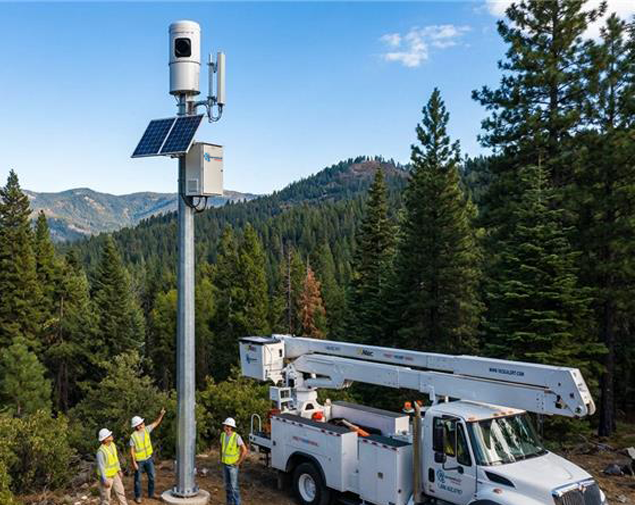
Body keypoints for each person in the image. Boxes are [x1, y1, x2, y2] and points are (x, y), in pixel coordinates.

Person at [129, 408, 166, 503]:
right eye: (141, 423)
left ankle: (151, 494)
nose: (143, 424)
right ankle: (138, 496)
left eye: (142, 423)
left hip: (148, 458)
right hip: (139, 461)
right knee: (138, 480)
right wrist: (134, 463)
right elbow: (132, 451)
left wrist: (161, 415)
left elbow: (156, 423)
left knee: (152, 476)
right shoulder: (133, 436)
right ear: (137, 426)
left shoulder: (146, 430)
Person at [220, 417, 248, 505]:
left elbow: (244, 450)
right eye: (226, 426)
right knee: (227, 486)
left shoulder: (236, 437)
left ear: (232, 427)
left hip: (233, 466)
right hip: (225, 464)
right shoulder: (222, 435)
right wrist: (221, 458)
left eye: (229, 426)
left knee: (234, 487)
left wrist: (238, 462)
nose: (227, 428)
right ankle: (229, 503)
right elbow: (221, 448)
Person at [96, 428, 128, 505]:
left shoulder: (113, 445)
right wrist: (104, 480)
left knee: (120, 492)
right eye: (109, 435)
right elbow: (101, 467)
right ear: (105, 439)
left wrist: (119, 470)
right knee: (106, 497)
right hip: (106, 477)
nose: (111, 436)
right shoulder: (101, 451)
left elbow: (115, 459)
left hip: (115, 474)